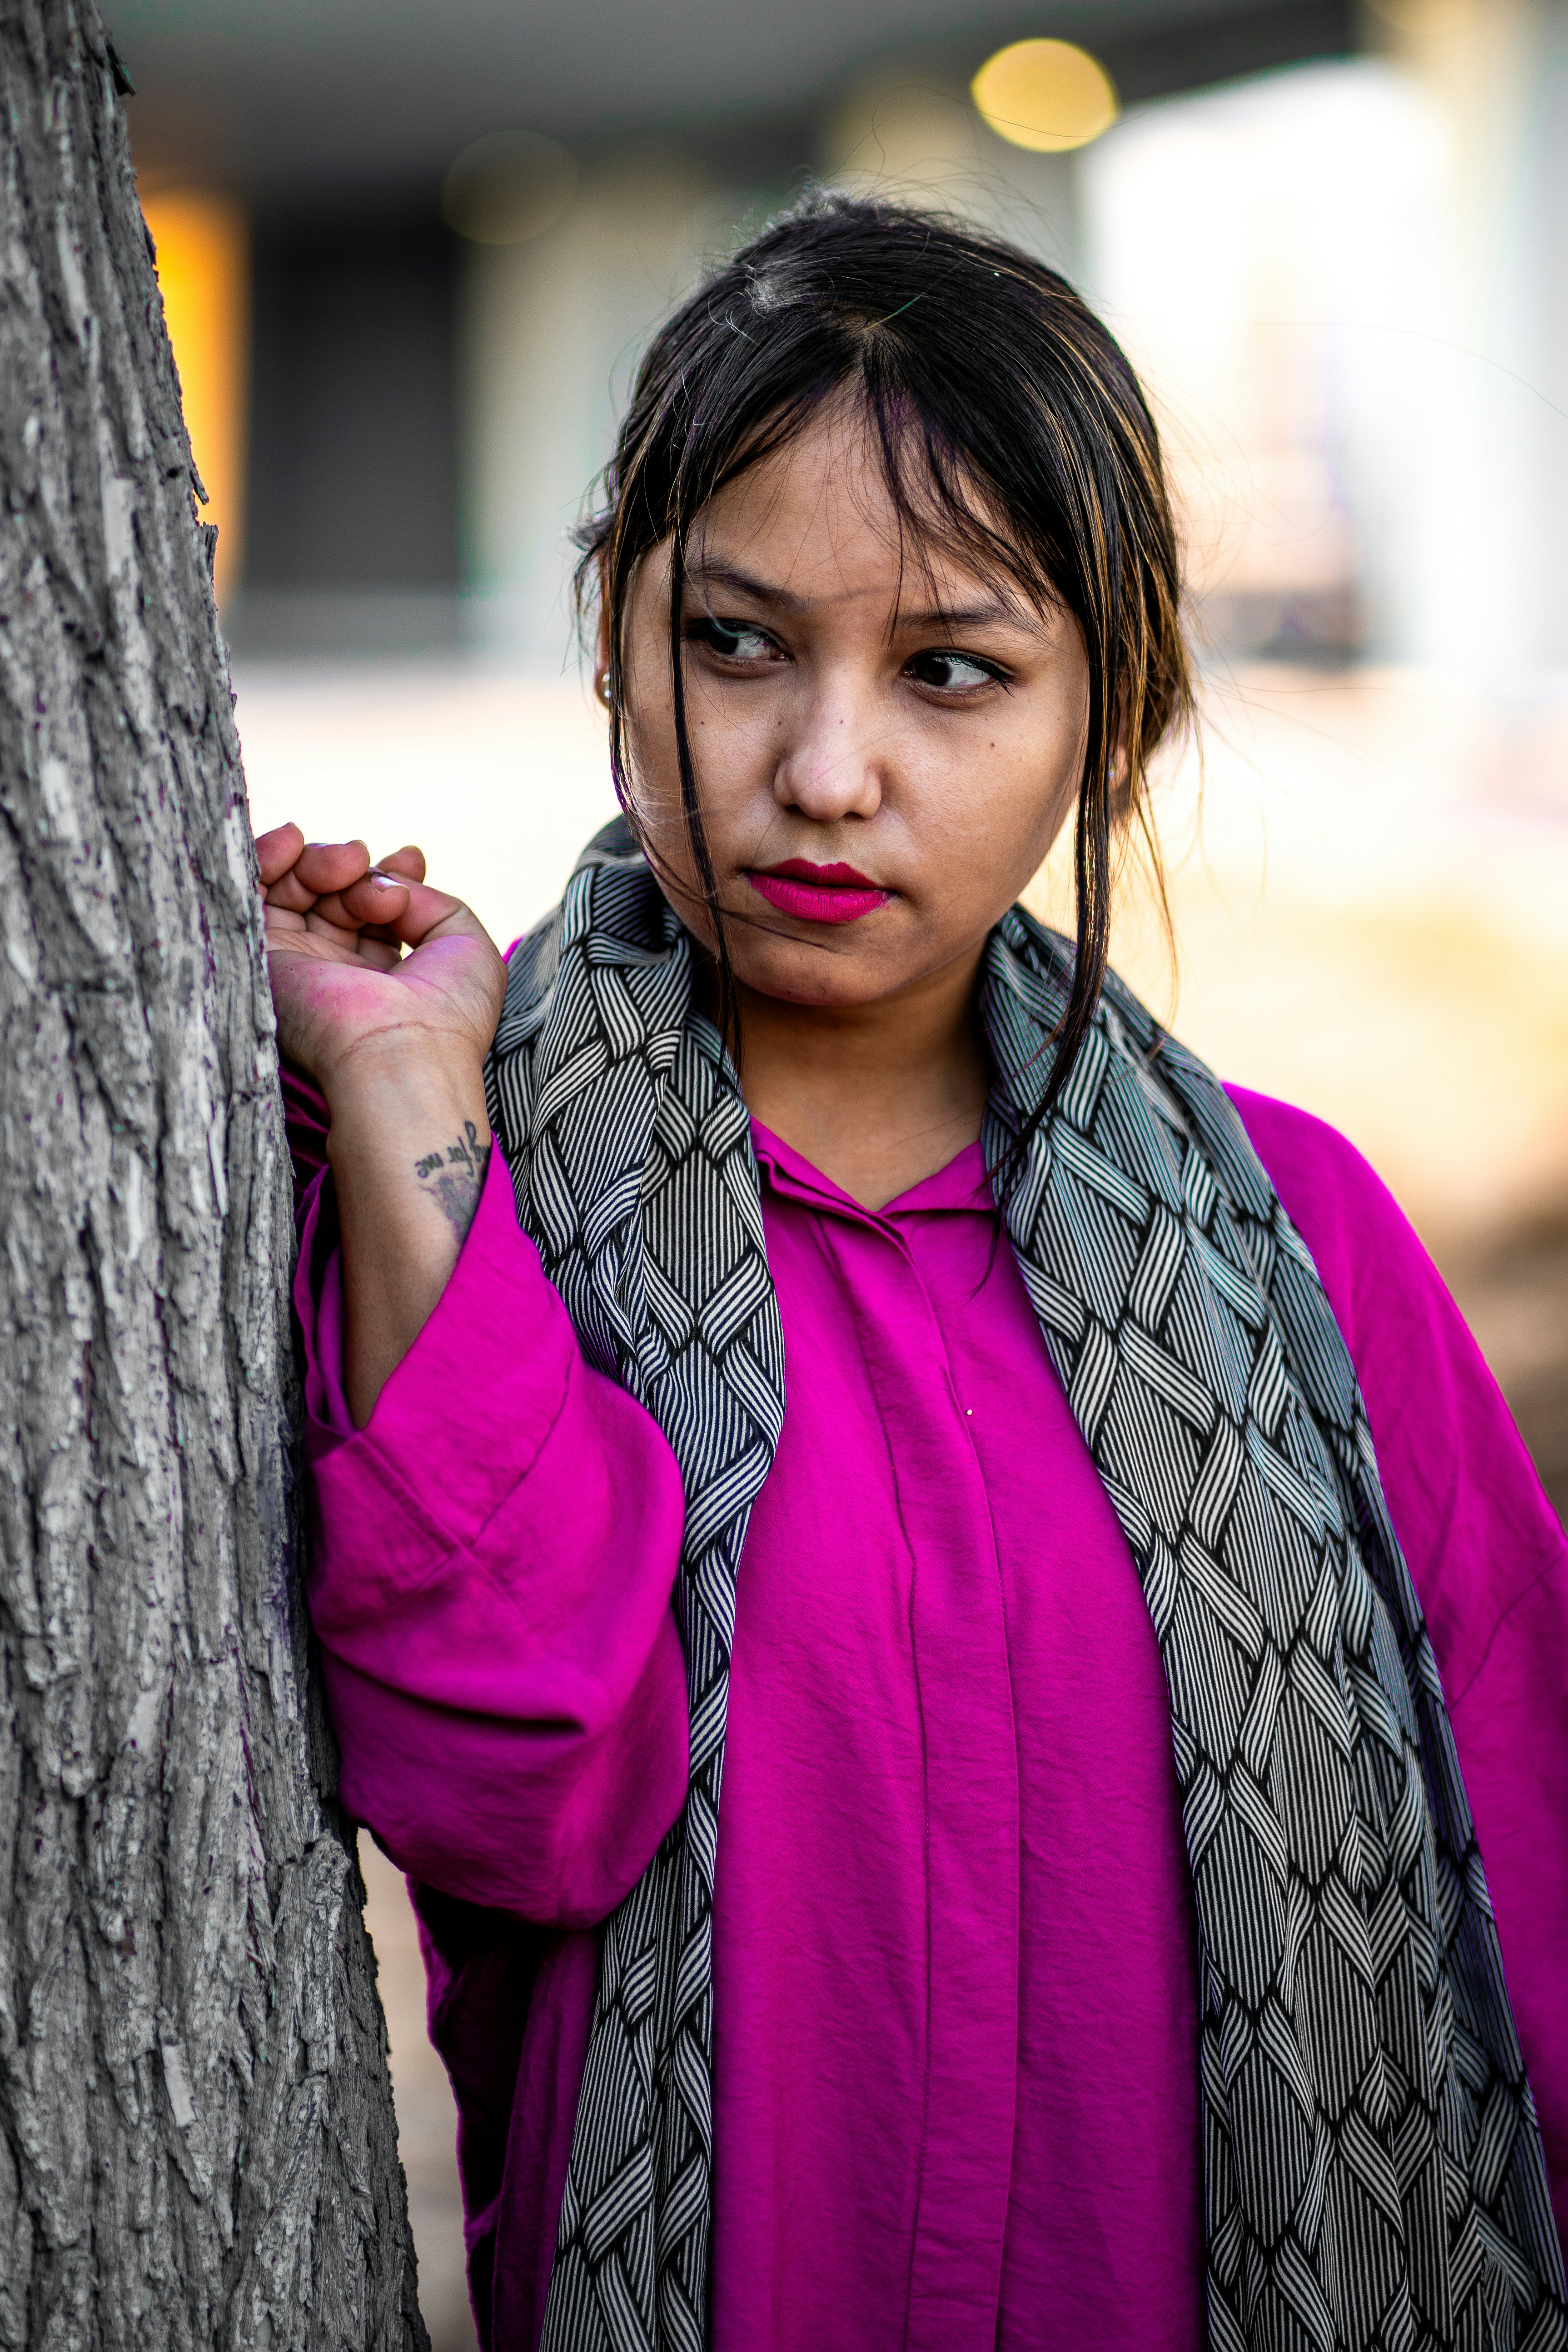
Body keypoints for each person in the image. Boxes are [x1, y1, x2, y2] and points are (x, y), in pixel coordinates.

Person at [255, 197, 1568, 2352]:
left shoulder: (1301, 1247)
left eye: (950, 668)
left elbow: (1522, 1869)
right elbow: (530, 1795)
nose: (824, 771)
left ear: (1106, 714)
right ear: (616, 640)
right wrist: (408, 1105)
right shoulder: (466, 1208)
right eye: (739, 641)